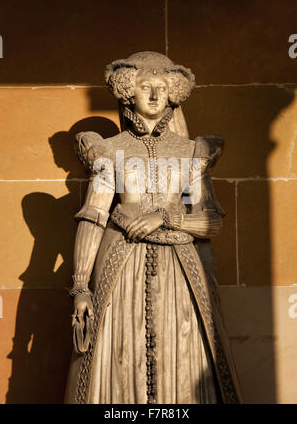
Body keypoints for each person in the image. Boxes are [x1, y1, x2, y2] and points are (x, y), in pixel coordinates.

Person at [65, 51, 242, 404]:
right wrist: (81, 287)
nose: (154, 95)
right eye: (146, 87)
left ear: (173, 93)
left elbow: (211, 222)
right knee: (120, 348)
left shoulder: (190, 152)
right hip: (121, 263)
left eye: (162, 88)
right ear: (129, 92)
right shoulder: (111, 151)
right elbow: (94, 215)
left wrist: (167, 217)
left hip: (182, 268)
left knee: (184, 345)